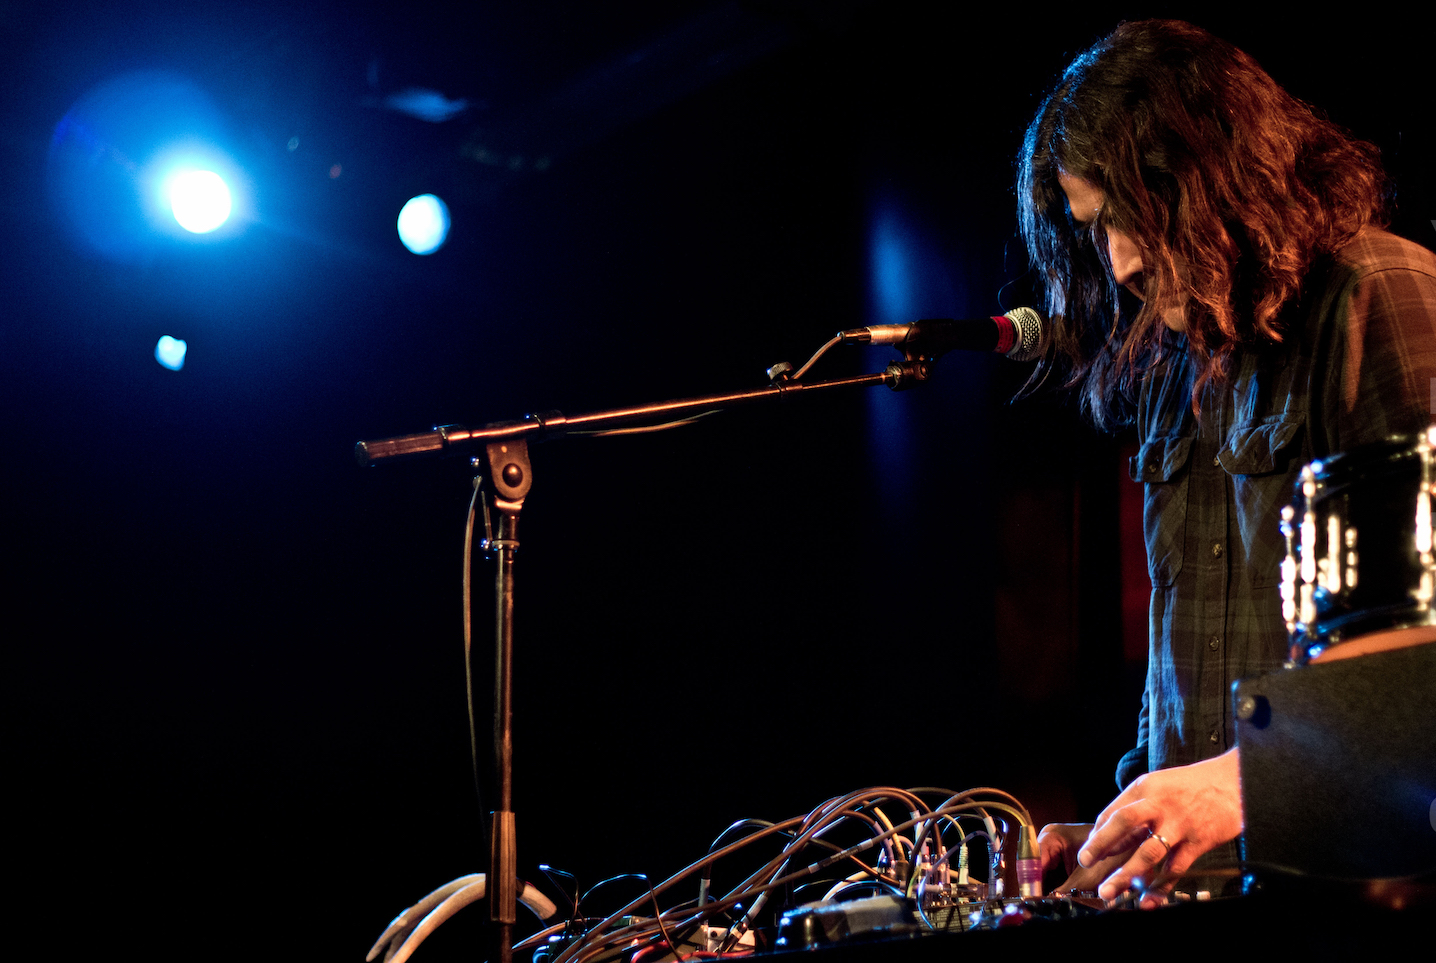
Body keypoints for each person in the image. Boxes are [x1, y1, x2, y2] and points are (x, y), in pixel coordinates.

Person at [1015, 19, 1436, 903]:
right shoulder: (1174, 368)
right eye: (1097, 231)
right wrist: (1121, 821)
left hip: (1352, 896)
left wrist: (1244, 781)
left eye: (1129, 214)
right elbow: (1184, 663)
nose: (1120, 260)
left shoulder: (1379, 295)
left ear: (1210, 176)